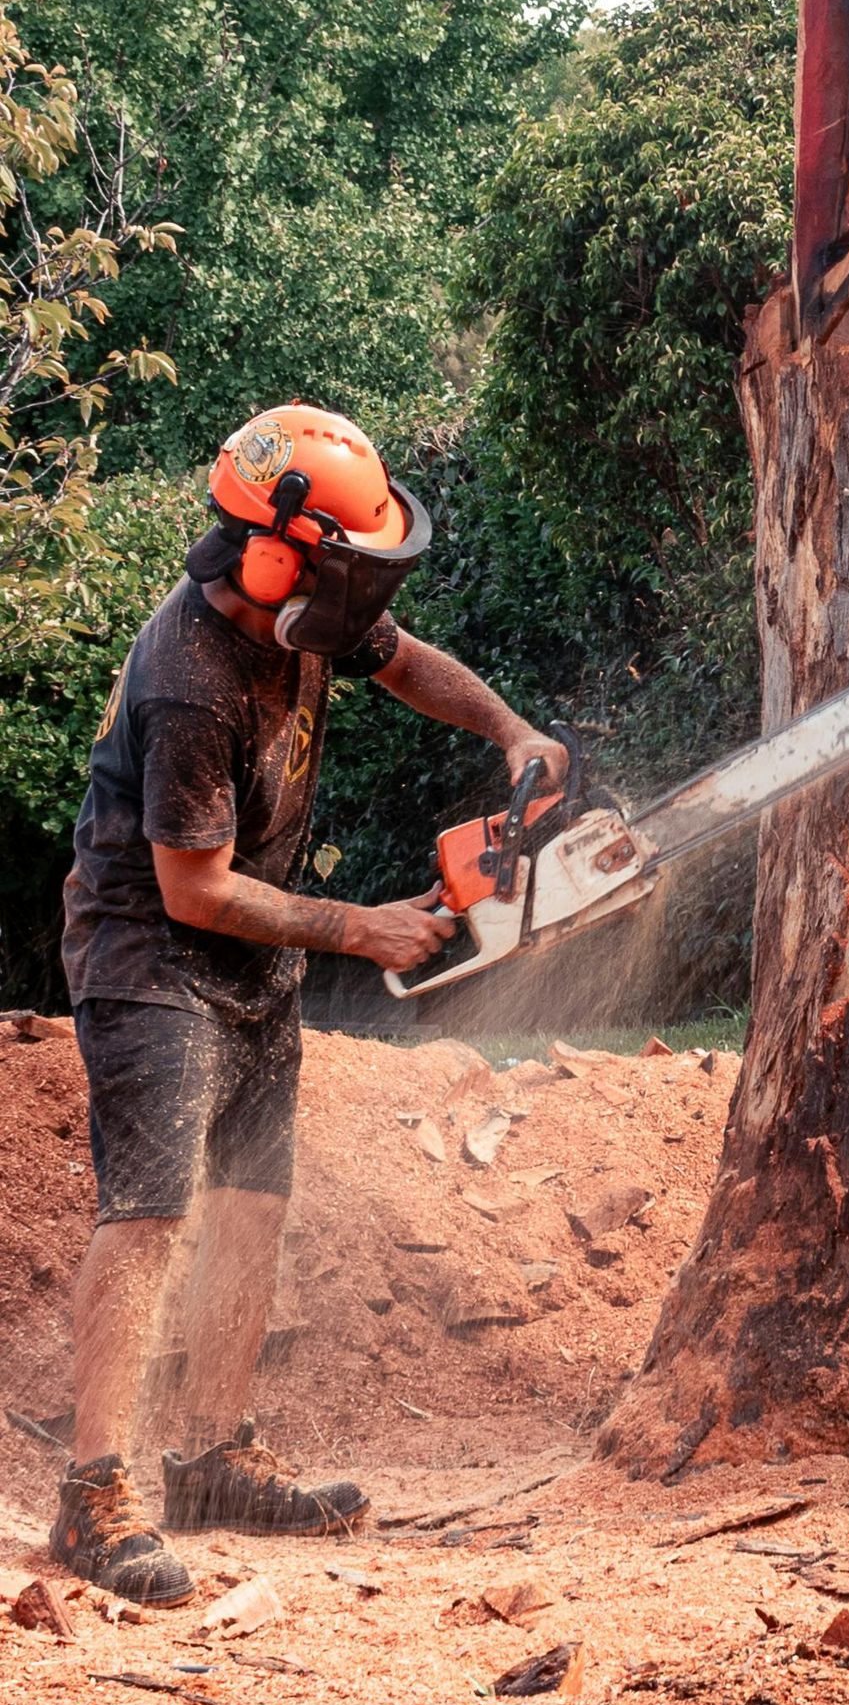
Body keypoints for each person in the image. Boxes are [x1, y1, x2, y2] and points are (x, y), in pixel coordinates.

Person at [51, 404, 568, 1606]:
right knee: (149, 1215)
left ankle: (215, 1458)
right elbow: (193, 890)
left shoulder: (305, 615)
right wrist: (362, 929)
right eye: (353, 568)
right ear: (282, 555)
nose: (366, 596)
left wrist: (511, 731)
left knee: (248, 1204)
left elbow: (402, 657)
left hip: (253, 953)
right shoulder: (188, 678)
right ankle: (94, 1494)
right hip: (152, 957)